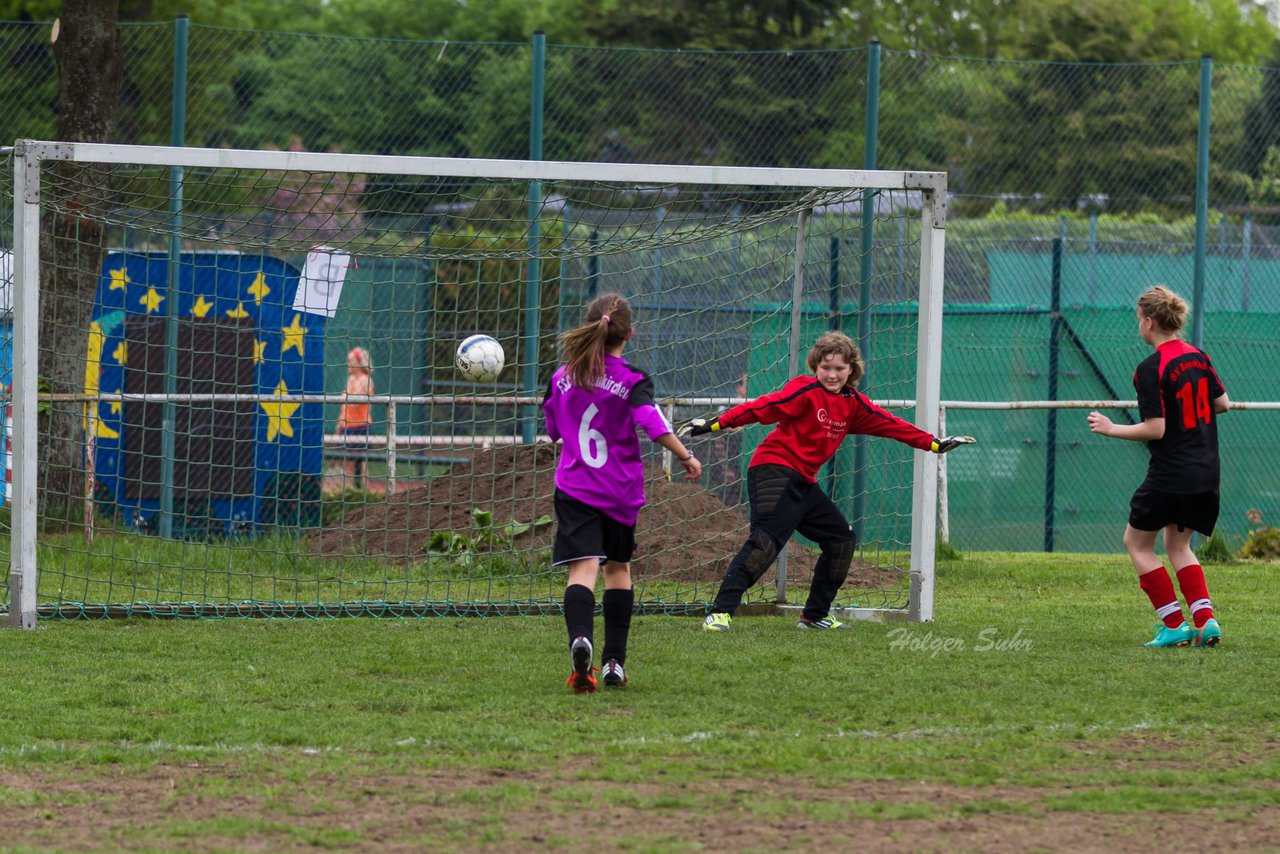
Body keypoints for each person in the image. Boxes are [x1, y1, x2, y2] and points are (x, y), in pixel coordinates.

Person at [683, 331, 973, 632]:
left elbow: (891, 425)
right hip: (774, 469)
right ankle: (719, 613)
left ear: (851, 370)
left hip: (804, 481)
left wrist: (933, 444)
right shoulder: (804, 390)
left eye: (839, 368)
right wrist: (714, 424)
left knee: (841, 540)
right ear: (815, 367)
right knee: (765, 541)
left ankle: (814, 616)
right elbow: (761, 407)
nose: (832, 374)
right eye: (826, 367)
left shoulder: (854, 403)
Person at [543, 292, 702, 692]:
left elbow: (554, 429)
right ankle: (614, 663)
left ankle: (581, 639)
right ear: (628, 333)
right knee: (617, 570)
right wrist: (685, 455)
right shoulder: (633, 379)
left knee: (582, 570)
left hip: (575, 487)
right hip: (619, 492)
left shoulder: (561, 377)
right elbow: (650, 422)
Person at [1088, 286, 1228, 648]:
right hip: (1206, 470)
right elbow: (1222, 403)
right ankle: (1205, 620)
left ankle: (1174, 624)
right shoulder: (1199, 356)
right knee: (1179, 545)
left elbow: (1156, 428)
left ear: (1149, 322)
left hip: (1171, 473)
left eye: (1139, 320)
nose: (1139, 326)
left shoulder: (1151, 368)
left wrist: (1110, 428)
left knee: (1137, 543)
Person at [336, 346, 374, 489]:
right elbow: (345, 405)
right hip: (347, 425)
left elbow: (352, 401)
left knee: (360, 461)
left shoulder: (366, 380)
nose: (348, 364)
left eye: (351, 361)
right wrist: (339, 424)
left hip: (361, 425)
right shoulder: (351, 379)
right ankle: (349, 489)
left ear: (359, 362)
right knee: (347, 461)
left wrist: (345, 396)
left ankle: (361, 490)